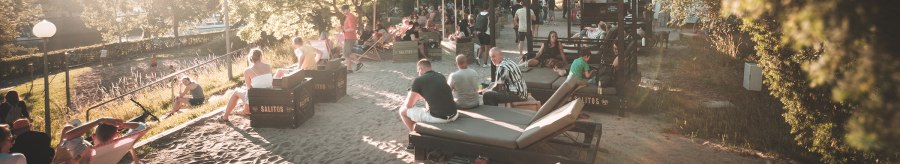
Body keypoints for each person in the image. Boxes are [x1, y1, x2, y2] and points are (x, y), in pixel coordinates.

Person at [398, 59, 458, 133]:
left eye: (418, 72)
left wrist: (410, 94)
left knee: (402, 111)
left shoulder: (418, 80)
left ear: (420, 69)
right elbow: (435, 94)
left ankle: (415, 134)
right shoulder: (440, 76)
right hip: (454, 114)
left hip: (440, 118)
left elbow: (409, 105)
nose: (418, 74)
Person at [58, 117, 146, 163]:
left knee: (69, 128)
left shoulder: (83, 151)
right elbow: (142, 126)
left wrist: (99, 121)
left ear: (93, 136)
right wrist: (123, 124)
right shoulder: (122, 144)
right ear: (117, 135)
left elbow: (67, 133)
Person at [222, 49, 274, 122]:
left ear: (251, 58)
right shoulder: (268, 66)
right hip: (269, 97)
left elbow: (249, 88)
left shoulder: (248, 70)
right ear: (260, 56)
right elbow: (267, 82)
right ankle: (244, 110)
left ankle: (225, 116)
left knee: (236, 92)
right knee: (246, 91)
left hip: (256, 99)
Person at [341, 5, 359, 73]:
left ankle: (349, 69)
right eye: (342, 11)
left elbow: (352, 28)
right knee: (348, 52)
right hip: (348, 37)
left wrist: (344, 30)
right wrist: (343, 29)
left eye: (344, 10)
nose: (343, 12)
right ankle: (358, 63)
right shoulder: (348, 17)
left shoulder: (350, 17)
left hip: (350, 37)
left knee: (346, 53)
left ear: (348, 9)